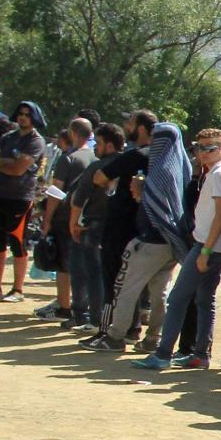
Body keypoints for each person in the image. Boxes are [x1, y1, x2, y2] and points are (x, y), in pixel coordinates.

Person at [138, 129, 221, 370]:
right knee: (204, 301)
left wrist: (206, 251)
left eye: (210, 147)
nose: (203, 153)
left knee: (178, 299)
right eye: (200, 147)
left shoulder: (218, 175)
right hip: (214, 246)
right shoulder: (218, 173)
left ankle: (163, 354)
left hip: (208, 247)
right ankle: (200, 354)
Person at [90, 119, 190, 353]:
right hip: (171, 242)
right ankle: (152, 339)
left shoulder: (159, 171)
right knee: (158, 295)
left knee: (125, 287)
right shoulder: (180, 169)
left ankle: (115, 337)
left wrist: (140, 190)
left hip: (150, 240)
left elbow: (155, 204)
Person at [78, 111, 158, 347]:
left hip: (119, 227)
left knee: (112, 280)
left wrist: (115, 181)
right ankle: (132, 329)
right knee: (133, 282)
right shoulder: (162, 156)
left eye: (131, 123)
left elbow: (100, 177)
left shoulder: (134, 156)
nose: (126, 126)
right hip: (144, 228)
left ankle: (107, 331)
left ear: (141, 129)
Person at [66, 122, 125, 334]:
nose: (95, 148)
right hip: (121, 228)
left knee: (95, 275)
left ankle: (96, 319)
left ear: (109, 145)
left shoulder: (98, 167)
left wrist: (73, 224)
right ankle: (117, 323)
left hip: (95, 225)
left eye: (98, 143)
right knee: (118, 276)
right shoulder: (128, 163)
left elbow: (78, 198)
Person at [0, 100, 46, 301]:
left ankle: (17, 289)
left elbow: (19, 169)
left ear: (34, 117)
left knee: (18, 243)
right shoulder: (7, 138)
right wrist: (9, 163)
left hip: (20, 198)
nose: (23, 117)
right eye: (20, 113)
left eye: (27, 114)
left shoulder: (36, 141)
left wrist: (6, 163)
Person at [38, 118, 96, 324]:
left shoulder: (68, 158)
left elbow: (56, 192)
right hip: (86, 217)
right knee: (83, 265)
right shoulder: (94, 157)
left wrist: (47, 219)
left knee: (63, 265)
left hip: (64, 217)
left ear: (72, 133)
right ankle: (83, 307)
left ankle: (64, 306)